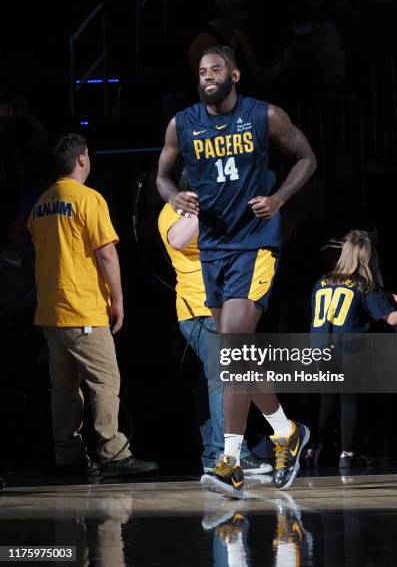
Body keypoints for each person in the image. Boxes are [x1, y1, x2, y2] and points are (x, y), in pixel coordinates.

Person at [156, 46, 317, 498]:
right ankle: (286, 434)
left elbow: (306, 157)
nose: (207, 76)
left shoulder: (264, 115)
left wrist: (280, 198)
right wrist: (173, 197)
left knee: (232, 355)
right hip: (214, 250)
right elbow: (162, 176)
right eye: (202, 71)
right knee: (239, 359)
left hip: (254, 244)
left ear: (235, 75)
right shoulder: (182, 124)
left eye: (215, 69)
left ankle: (229, 462)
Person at [27, 133, 158, 477]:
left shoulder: (40, 204)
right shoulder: (88, 199)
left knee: (65, 387)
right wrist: (118, 298)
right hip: (81, 307)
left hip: (50, 312)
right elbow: (106, 252)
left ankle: (68, 454)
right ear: (82, 159)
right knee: (104, 380)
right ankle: (112, 451)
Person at [307, 230, 397, 468]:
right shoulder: (364, 284)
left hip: (320, 348)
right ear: (367, 257)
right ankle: (346, 455)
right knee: (349, 401)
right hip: (349, 349)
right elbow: (390, 318)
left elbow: (382, 296)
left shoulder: (322, 281)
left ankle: (311, 449)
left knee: (326, 403)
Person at [158, 197, 273, 475]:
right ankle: (232, 455)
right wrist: (207, 203)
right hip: (201, 309)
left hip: (218, 306)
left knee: (215, 380)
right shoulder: (174, 210)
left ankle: (214, 453)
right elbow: (176, 238)